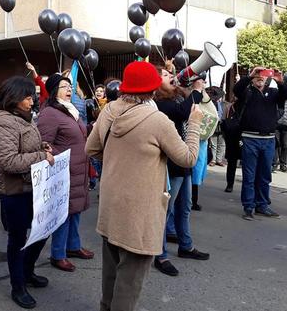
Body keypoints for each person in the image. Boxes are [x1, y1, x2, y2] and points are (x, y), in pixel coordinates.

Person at [86, 61, 203, 311]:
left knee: (111, 275)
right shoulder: (157, 120)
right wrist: (194, 124)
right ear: (152, 89)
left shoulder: (110, 110)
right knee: (130, 283)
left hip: (111, 204)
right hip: (140, 212)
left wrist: (119, 163)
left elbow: (91, 149)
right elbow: (188, 158)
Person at [0, 76, 54, 309]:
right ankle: (18, 285)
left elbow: (26, 146)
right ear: (13, 98)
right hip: (14, 191)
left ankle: (27, 271)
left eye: (32, 95)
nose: (32, 99)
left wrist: (42, 147)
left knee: (42, 230)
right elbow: (8, 161)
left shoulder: (23, 118)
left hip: (31, 186)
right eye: (26, 96)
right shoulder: (3, 122)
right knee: (18, 239)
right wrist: (43, 157)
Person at [152, 67, 209, 277]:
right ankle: (160, 254)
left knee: (184, 207)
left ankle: (186, 246)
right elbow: (184, 112)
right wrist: (195, 89)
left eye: (170, 74)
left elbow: (188, 104)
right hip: (172, 162)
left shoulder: (175, 97)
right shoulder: (159, 103)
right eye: (165, 75)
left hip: (182, 159)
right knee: (165, 210)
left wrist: (189, 86)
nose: (171, 78)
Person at [38, 73, 94, 272]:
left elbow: (75, 135)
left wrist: (91, 127)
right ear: (54, 91)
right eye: (64, 86)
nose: (69, 89)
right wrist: (62, 157)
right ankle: (58, 254)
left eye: (70, 86)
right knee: (63, 212)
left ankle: (73, 246)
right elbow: (44, 144)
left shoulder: (70, 111)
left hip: (79, 169)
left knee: (75, 209)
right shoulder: (49, 113)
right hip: (64, 171)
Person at [233, 67, 287, 220]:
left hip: (268, 140)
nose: (260, 77)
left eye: (262, 75)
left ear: (267, 79)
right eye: (257, 75)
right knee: (249, 175)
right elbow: (236, 89)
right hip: (250, 138)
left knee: (265, 175)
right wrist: (249, 75)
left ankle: (262, 205)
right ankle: (248, 207)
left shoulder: (273, 94)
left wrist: (280, 81)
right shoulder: (247, 92)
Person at [275, 93, 287, 172]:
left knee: (285, 145)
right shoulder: (278, 94)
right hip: (276, 123)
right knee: (277, 144)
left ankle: (283, 164)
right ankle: (274, 163)